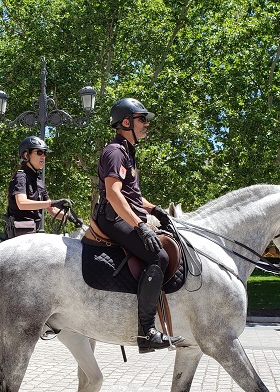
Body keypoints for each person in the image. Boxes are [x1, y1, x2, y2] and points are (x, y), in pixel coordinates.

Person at [94, 97, 184, 353]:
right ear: (125, 122)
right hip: (114, 219)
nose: (147, 124)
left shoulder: (127, 152)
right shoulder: (114, 152)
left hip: (126, 215)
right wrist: (140, 227)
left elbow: (132, 195)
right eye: (141, 119)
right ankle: (146, 332)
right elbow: (113, 194)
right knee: (159, 256)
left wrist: (154, 209)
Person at [4, 135, 74, 239]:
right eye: (39, 152)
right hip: (19, 235)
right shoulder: (21, 176)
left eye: (44, 153)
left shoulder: (39, 181)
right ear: (26, 155)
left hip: (34, 233)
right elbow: (22, 203)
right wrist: (51, 202)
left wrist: (71, 218)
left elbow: (52, 210)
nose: (43, 156)